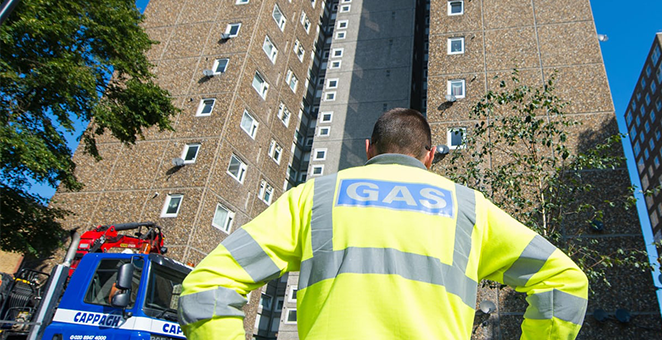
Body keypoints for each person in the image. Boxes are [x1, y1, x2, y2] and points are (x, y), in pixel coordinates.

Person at [179, 108, 588, 340]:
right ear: (429, 157)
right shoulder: (468, 208)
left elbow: (206, 285)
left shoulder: (316, 196)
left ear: (369, 150)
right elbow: (564, 282)